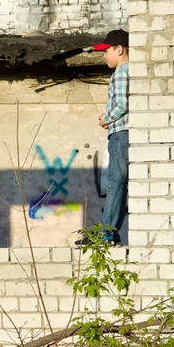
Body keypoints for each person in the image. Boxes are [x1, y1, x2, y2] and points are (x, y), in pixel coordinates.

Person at [76, 29, 129, 247]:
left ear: (120, 49)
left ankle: (106, 234)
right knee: (118, 183)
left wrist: (105, 118)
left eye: (106, 50)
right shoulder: (128, 71)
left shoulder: (122, 72)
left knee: (115, 183)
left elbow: (123, 104)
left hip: (121, 134)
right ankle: (109, 233)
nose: (104, 55)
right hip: (123, 134)